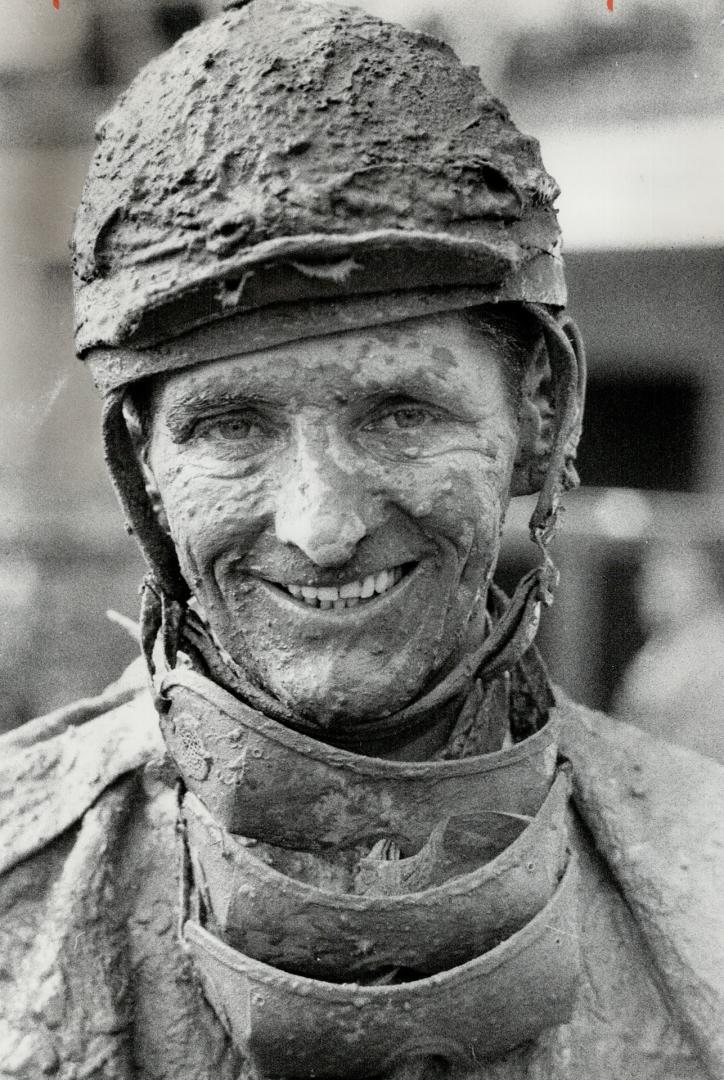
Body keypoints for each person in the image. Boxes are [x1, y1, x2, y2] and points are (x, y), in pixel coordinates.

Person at [1, 3, 722, 1078]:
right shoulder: (19, 885)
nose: (323, 526)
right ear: (142, 464)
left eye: (401, 411)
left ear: (537, 411)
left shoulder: (703, 882)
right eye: (231, 426)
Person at [614, 542, 724, 764]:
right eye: (648, 580)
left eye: (666, 583)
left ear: (703, 583)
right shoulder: (658, 647)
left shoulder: (713, 643)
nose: (650, 590)